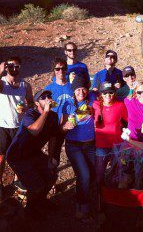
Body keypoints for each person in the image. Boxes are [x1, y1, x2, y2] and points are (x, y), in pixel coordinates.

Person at [6, 89, 60, 219]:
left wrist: (51, 157)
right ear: (36, 102)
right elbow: (34, 131)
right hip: (18, 155)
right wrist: (46, 111)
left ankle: (41, 201)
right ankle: (30, 210)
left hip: (34, 153)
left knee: (51, 176)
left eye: (49, 96)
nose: (48, 99)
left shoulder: (53, 116)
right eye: (44, 97)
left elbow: (53, 138)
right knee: (35, 184)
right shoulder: (30, 114)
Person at [61, 76, 96, 220]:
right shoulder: (68, 104)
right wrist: (65, 127)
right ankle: (81, 206)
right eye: (78, 89)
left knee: (92, 174)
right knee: (85, 175)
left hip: (90, 144)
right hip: (74, 146)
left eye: (83, 88)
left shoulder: (92, 100)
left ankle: (86, 198)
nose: (81, 91)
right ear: (73, 91)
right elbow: (61, 127)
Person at [0, 56, 34, 199]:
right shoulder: (2, 84)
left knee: (18, 157)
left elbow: (31, 103)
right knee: (1, 158)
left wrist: (26, 107)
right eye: (11, 66)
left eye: (17, 66)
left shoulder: (25, 86)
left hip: (18, 127)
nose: (14, 69)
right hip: (2, 126)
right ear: (6, 67)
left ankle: (17, 181)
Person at [93, 82, 128, 185]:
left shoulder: (120, 105)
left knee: (116, 173)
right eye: (104, 93)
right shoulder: (95, 105)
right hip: (101, 144)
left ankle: (113, 194)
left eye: (111, 93)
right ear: (100, 94)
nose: (108, 95)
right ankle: (99, 194)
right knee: (99, 173)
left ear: (115, 93)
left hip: (117, 144)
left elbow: (127, 122)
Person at [45, 58, 73, 165]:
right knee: (54, 153)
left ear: (66, 69)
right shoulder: (49, 88)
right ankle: (51, 171)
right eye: (57, 69)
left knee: (73, 152)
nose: (61, 71)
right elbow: (45, 106)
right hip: (56, 124)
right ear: (54, 70)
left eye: (63, 68)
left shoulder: (72, 86)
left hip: (72, 122)